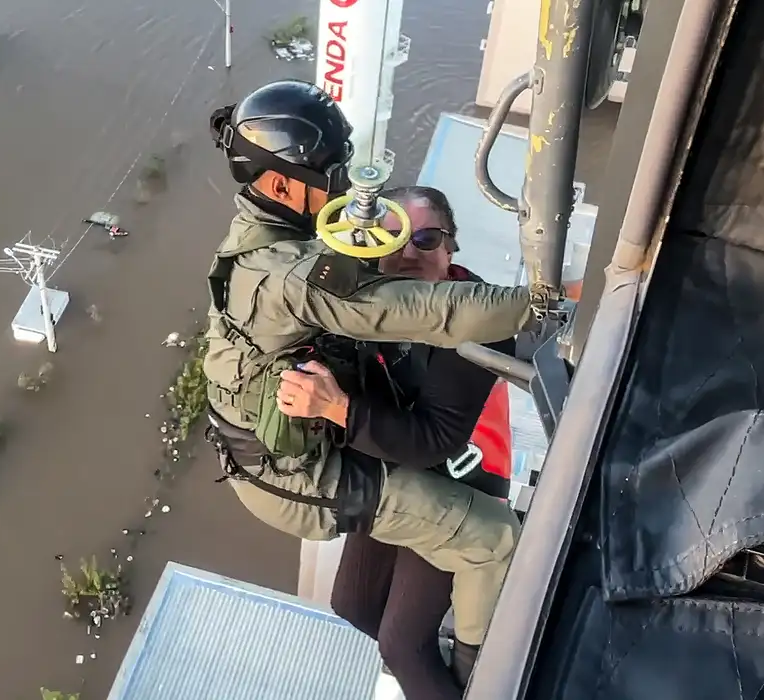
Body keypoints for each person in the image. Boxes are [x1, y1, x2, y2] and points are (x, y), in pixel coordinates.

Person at [202, 80, 534, 681]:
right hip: (298, 472)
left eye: (428, 240)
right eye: (331, 175)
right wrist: (545, 303)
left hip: (306, 450)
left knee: (388, 619)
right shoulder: (293, 277)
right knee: (495, 540)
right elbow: (433, 313)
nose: (340, 188)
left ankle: (462, 659)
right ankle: (487, 682)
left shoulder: (259, 239)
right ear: (281, 185)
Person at [281, 185, 515, 698]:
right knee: (354, 606)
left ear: (450, 249)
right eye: (393, 238)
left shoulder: (479, 322)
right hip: (393, 463)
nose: (408, 252)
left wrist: (336, 408)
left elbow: (434, 439)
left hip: (458, 481)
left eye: (425, 239)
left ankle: (456, 676)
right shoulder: (368, 304)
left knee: (402, 645)